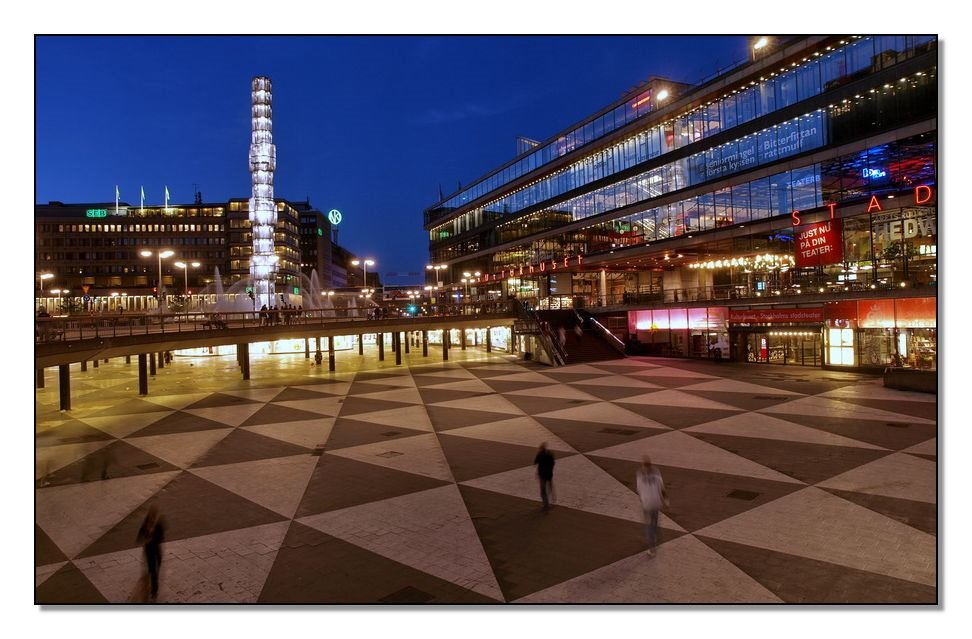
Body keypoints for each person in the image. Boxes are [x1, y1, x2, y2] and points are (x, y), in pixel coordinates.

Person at [636, 456, 669, 557]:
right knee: (654, 523)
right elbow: (662, 488)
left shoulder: (640, 474)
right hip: (656, 502)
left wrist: (642, 500)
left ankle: (652, 548)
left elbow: (639, 490)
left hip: (647, 504)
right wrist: (666, 501)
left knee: (648, 526)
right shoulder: (656, 472)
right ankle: (656, 536)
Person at [136, 504, 165, 600]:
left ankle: (153, 589)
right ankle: (152, 590)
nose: (152, 518)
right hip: (149, 550)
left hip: (155, 550)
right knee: (151, 570)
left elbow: (161, 538)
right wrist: (144, 538)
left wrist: (152, 537)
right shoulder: (146, 523)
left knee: (154, 570)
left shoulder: (159, 524)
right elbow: (140, 535)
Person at [534, 443, 555, 511]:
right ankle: (553, 498)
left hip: (542, 475)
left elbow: (535, 462)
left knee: (543, 491)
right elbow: (553, 463)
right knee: (550, 487)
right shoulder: (550, 454)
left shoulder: (540, 455)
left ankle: (546, 504)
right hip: (549, 474)